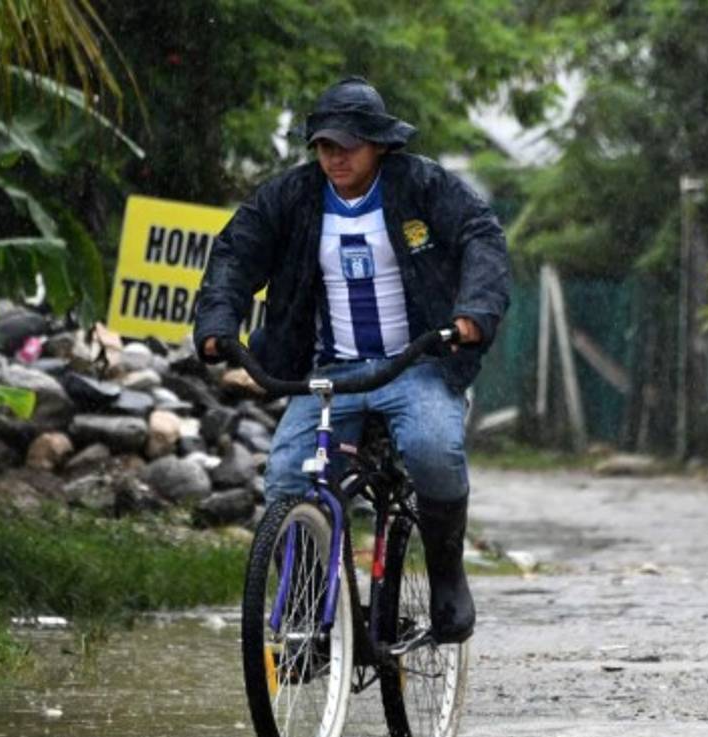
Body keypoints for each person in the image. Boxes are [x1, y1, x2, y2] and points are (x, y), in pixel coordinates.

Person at [193, 76, 511, 643]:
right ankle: (308, 609)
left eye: (347, 146)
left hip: (415, 364)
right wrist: (219, 324)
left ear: (380, 145)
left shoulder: (423, 185)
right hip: (328, 373)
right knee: (290, 474)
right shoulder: (288, 198)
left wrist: (474, 310)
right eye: (324, 146)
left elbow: (479, 235)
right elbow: (236, 255)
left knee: (433, 449)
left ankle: (445, 576)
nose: (334, 157)